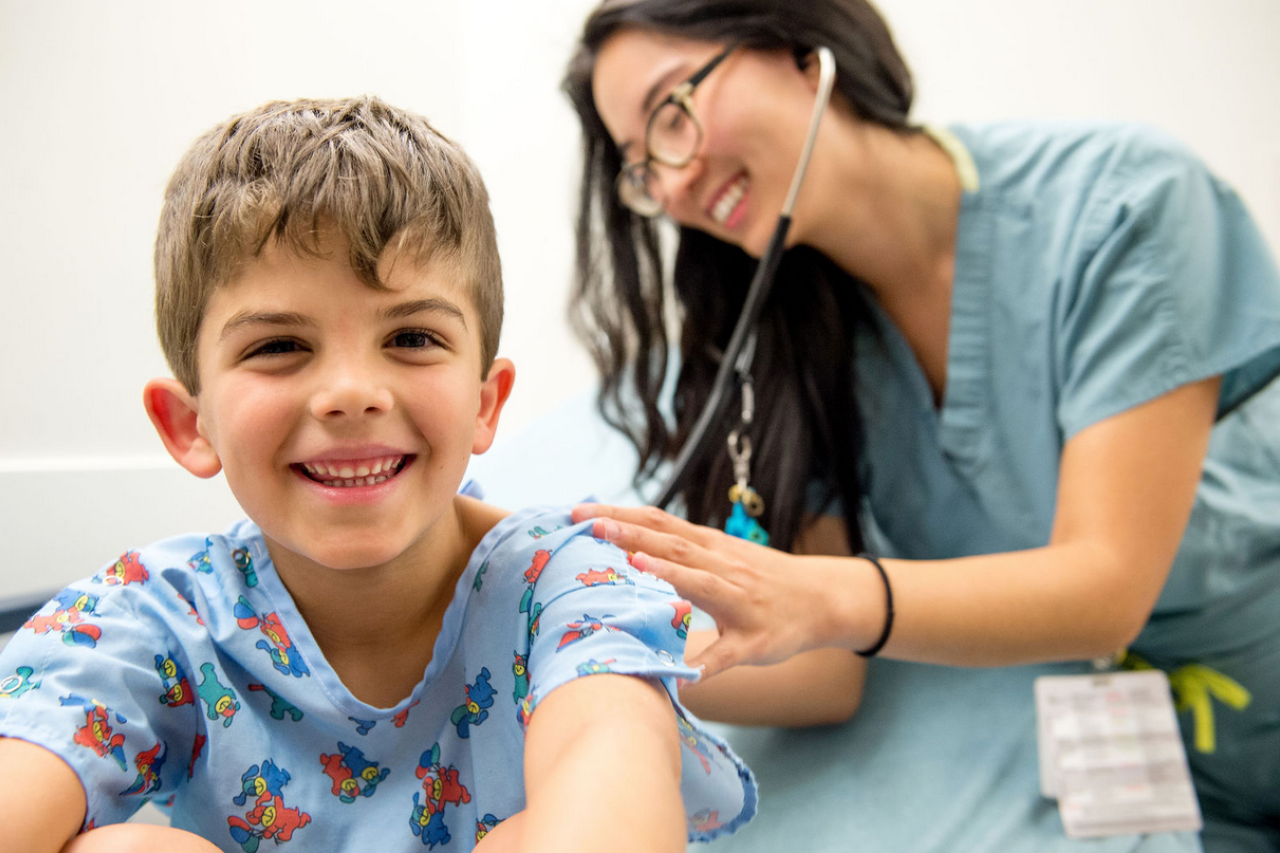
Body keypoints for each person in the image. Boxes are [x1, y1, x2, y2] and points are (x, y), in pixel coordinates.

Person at [560, 1, 1280, 850]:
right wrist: (583, 646)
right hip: (1141, 802)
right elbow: (822, 669)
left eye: (670, 113)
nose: (673, 184)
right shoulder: (800, 343)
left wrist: (827, 596)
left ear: (797, 42)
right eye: (642, 169)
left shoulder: (1124, 207)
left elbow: (1106, 588)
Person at [0, 96, 756, 853]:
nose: (352, 392)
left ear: (484, 404)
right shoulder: (154, 618)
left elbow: (614, 803)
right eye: (278, 346)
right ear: (189, 425)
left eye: (412, 336)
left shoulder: (573, 587)